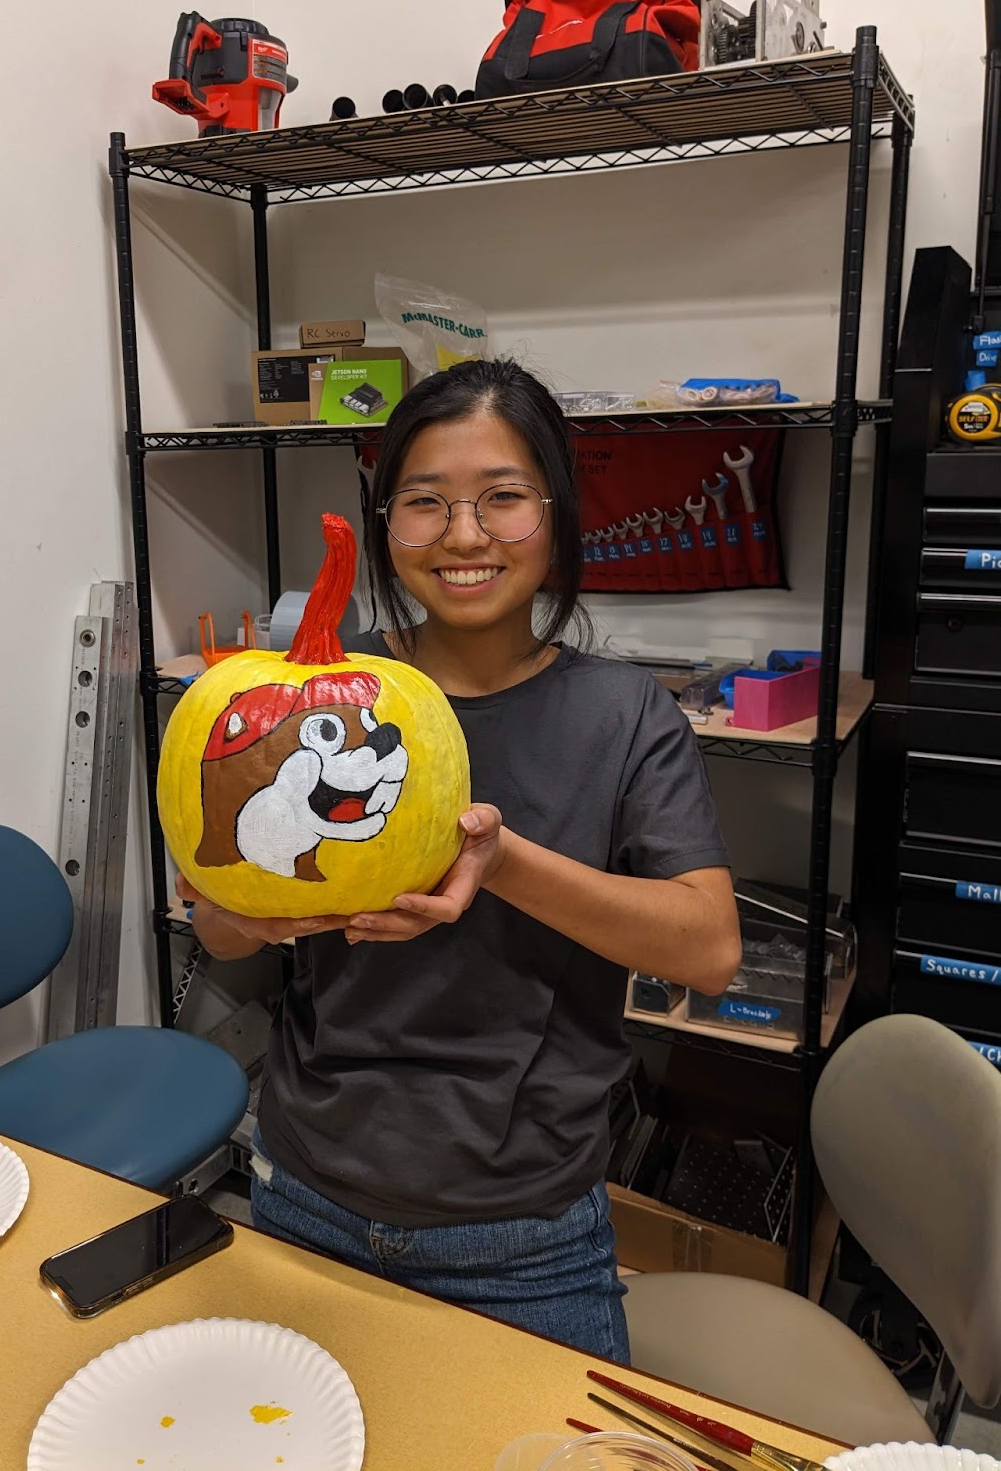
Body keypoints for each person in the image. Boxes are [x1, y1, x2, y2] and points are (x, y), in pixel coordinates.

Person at [178, 357, 740, 1361]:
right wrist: (243, 907)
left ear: (557, 513)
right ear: (386, 519)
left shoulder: (624, 715)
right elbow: (222, 931)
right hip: (306, 1187)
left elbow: (706, 949)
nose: (465, 534)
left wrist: (503, 861)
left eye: (503, 498)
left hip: (525, 1234)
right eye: (426, 501)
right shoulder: (324, 697)